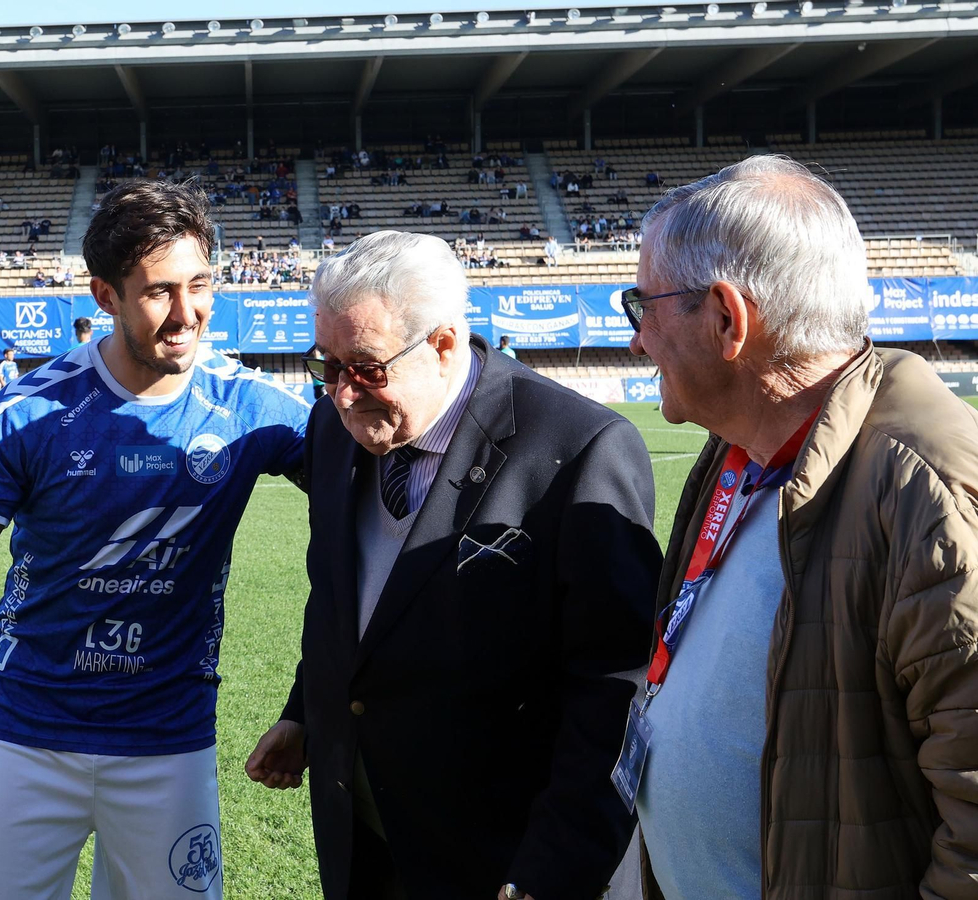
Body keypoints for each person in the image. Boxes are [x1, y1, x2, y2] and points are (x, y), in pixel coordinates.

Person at [247, 230, 659, 900]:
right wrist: (305, 712)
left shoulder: (580, 449)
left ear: (442, 345)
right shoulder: (332, 430)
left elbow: (616, 688)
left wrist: (553, 868)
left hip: (504, 858)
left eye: (367, 367)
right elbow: (342, 597)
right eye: (326, 366)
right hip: (368, 842)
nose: (343, 394)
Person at [0, 180, 312, 900]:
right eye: (159, 291)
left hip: (169, 741)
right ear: (105, 296)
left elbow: (378, 497)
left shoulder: (254, 408)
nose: (187, 312)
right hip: (26, 733)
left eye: (200, 285)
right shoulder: (33, 410)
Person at [623, 155, 978, 899]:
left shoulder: (929, 494)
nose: (636, 339)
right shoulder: (738, 450)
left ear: (727, 319)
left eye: (641, 306)